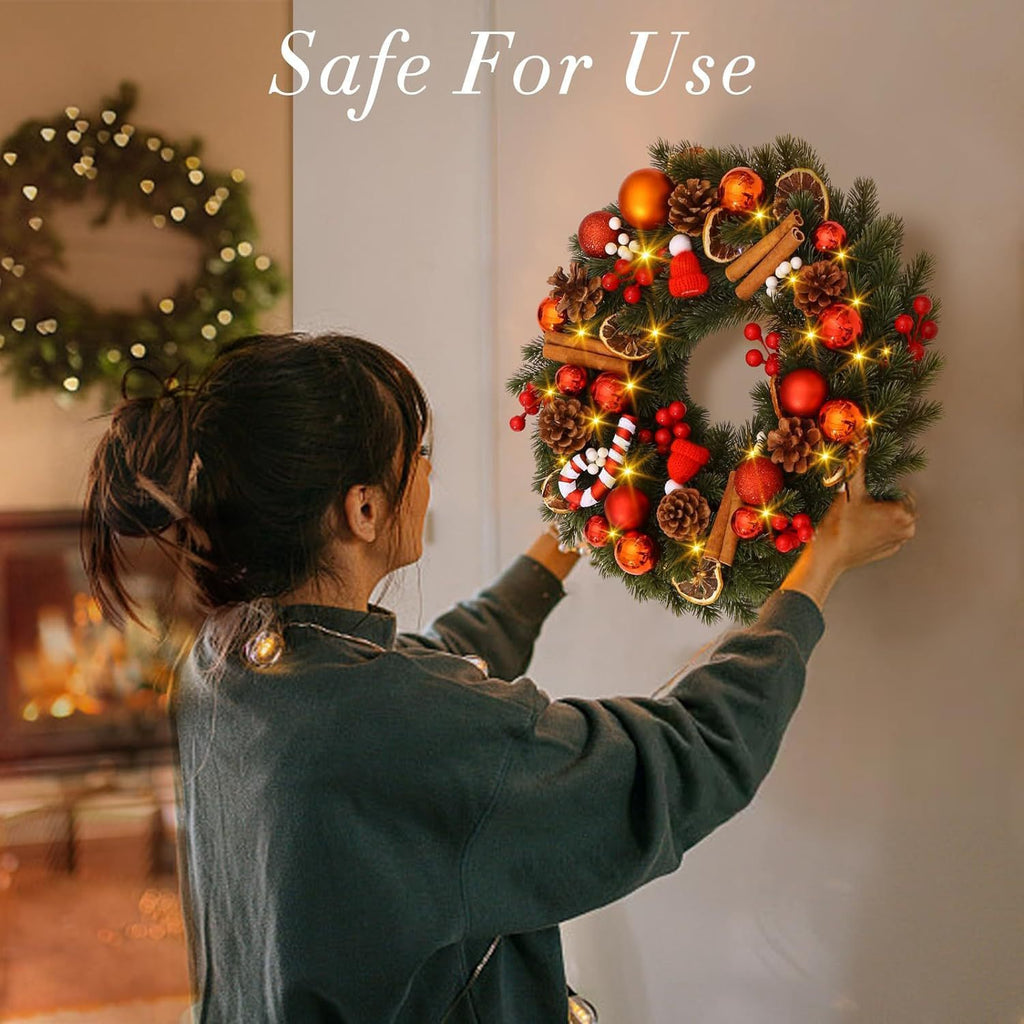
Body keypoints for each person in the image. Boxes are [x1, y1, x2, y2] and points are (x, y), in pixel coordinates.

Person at [82, 331, 917, 1024]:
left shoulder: (230, 664)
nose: (429, 472)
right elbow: (683, 760)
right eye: (419, 454)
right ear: (363, 510)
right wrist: (821, 567)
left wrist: (560, 545)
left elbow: (426, 678)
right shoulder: (388, 724)